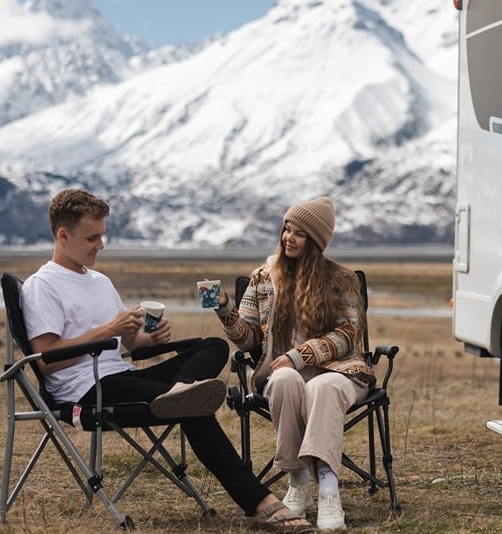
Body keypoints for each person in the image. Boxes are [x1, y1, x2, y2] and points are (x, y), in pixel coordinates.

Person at [21, 188, 313, 533]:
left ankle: (178, 392)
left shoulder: (100, 282)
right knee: (192, 407)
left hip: (121, 374)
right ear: (63, 235)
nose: (100, 244)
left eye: (102, 235)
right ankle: (261, 503)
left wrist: (150, 338)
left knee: (213, 347)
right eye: (92, 237)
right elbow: (47, 361)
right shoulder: (42, 286)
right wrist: (108, 329)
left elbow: (130, 343)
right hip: (86, 391)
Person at [214, 197, 374, 532]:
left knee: (322, 385)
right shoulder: (262, 278)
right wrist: (225, 310)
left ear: (315, 242)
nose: (289, 237)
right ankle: (298, 480)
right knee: (286, 379)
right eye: (287, 228)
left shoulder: (341, 279)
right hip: (282, 372)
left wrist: (299, 355)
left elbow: (348, 334)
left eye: (299, 233)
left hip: (339, 371)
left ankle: (329, 491)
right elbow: (248, 340)